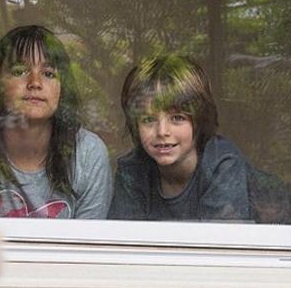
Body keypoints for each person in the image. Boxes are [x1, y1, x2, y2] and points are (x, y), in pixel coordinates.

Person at [0, 25, 111, 219]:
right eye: (20, 71)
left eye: (49, 73)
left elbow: (87, 246)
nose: (35, 82)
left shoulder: (87, 154)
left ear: (62, 90)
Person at [108, 54, 257, 222]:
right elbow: (126, 241)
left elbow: (218, 244)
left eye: (177, 118)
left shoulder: (222, 165)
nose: (162, 131)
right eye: (148, 120)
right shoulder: (133, 170)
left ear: (200, 120)